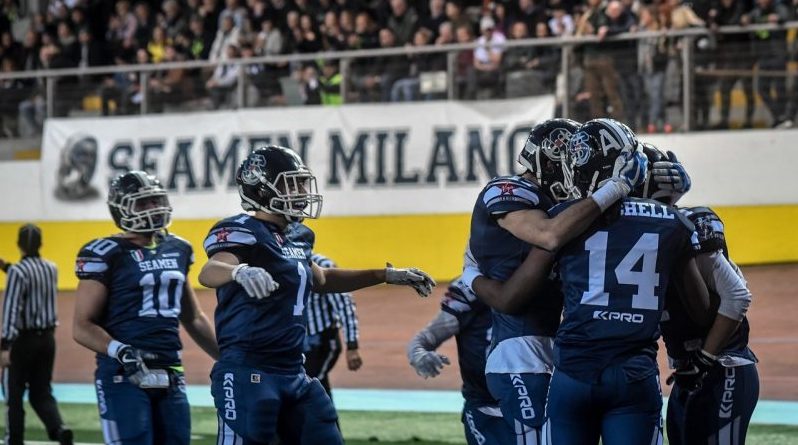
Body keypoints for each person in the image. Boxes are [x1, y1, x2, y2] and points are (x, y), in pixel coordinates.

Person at [466, 119, 710, 445]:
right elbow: (549, 236)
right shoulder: (668, 223)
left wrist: (472, 276)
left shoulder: (571, 215)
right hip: (558, 357)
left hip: (569, 361)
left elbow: (528, 273)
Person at [198, 145, 435, 445]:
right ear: (260, 187)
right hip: (248, 370)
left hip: (294, 371)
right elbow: (210, 271)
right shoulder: (241, 229)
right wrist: (238, 272)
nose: (300, 191)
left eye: (300, 183)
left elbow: (320, 278)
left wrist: (384, 275)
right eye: (291, 183)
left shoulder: (298, 235)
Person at [72, 171, 219, 445]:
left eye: (155, 200)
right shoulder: (105, 253)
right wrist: (121, 351)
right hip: (123, 372)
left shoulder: (178, 248)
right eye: (143, 203)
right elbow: (82, 326)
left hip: (170, 369)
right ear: (121, 209)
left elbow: (193, 316)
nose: (153, 208)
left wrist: (227, 356)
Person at [644, 145, 760, 445]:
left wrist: (705, 358)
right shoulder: (644, 235)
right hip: (689, 370)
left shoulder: (689, 226)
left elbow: (737, 296)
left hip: (723, 367)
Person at [407, 271, 510, 445]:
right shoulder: (470, 286)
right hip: (484, 403)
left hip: (535, 396)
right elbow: (422, 341)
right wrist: (418, 354)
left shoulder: (541, 276)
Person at [0, 224, 73, 445]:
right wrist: (7, 267)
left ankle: (15, 438)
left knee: (14, 395)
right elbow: (29, 277)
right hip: (47, 340)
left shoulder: (17, 273)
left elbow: (11, 308)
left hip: (23, 341)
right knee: (41, 391)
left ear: (19, 244)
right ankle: (59, 429)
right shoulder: (51, 268)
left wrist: (5, 347)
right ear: (41, 243)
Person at [304, 253, 362, 399]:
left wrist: (352, 345)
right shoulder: (280, 261)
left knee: (311, 387)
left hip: (321, 342)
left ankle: (326, 420)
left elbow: (344, 305)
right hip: (296, 341)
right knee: (312, 389)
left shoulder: (322, 264)